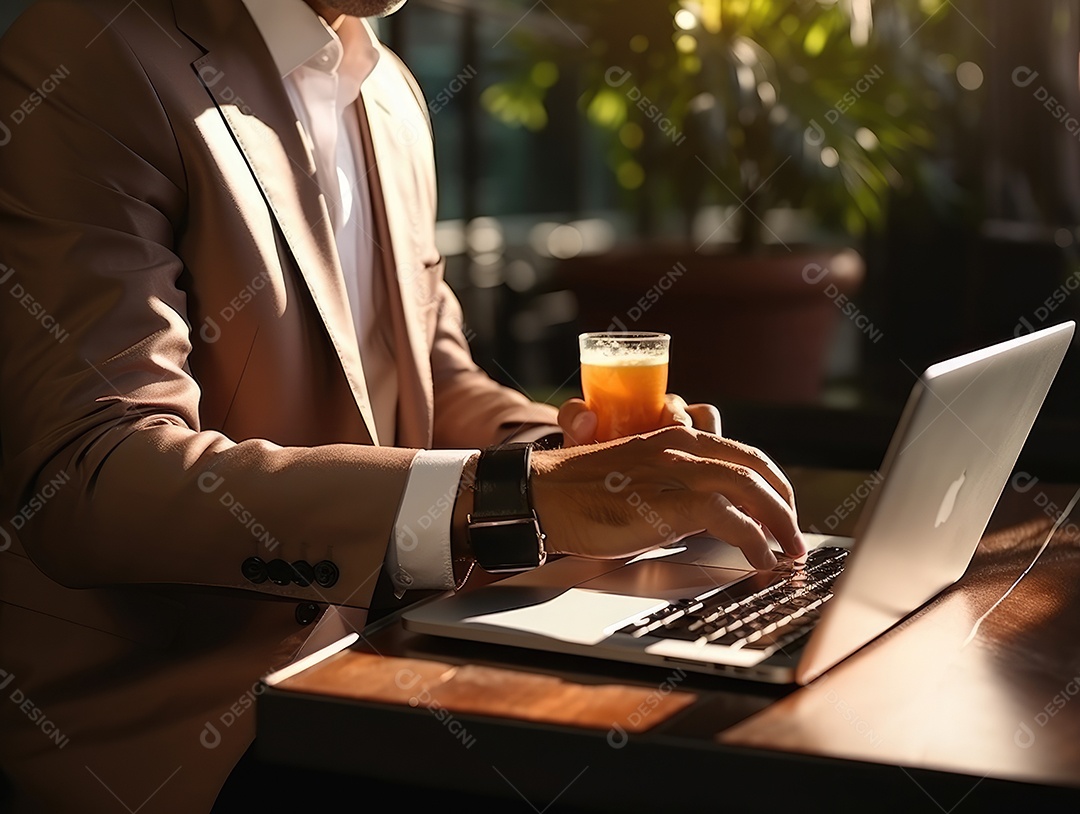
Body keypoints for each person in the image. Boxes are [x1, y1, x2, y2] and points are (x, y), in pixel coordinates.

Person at [0, 0, 805, 810]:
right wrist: (518, 498)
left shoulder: (387, 89)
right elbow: (91, 475)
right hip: (195, 722)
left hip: (397, 647)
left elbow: (438, 381)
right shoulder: (96, 52)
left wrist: (603, 468)